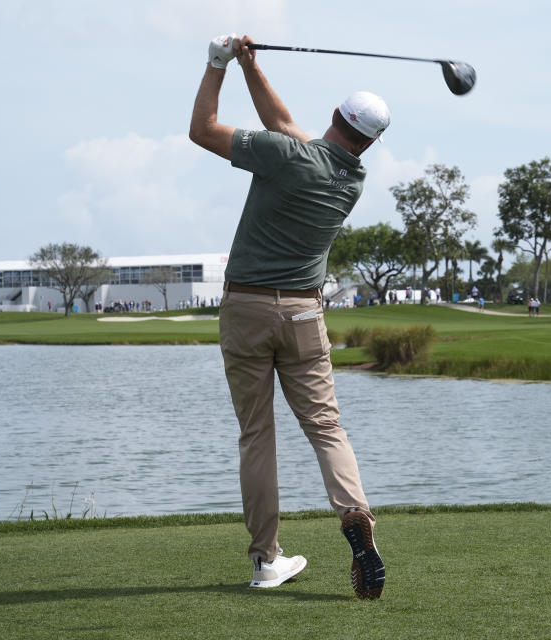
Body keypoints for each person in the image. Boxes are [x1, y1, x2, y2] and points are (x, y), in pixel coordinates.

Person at [189, 33, 385, 599]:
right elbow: (285, 123)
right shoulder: (349, 178)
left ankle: (265, 560)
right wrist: (251, 65)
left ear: (334, 116)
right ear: (368, 142)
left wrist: (217, 64)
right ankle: (355, 513)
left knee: (257, 435)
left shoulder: (286, 156)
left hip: (246, 308)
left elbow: (203, 129)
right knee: (326, 428)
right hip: (303, 314)